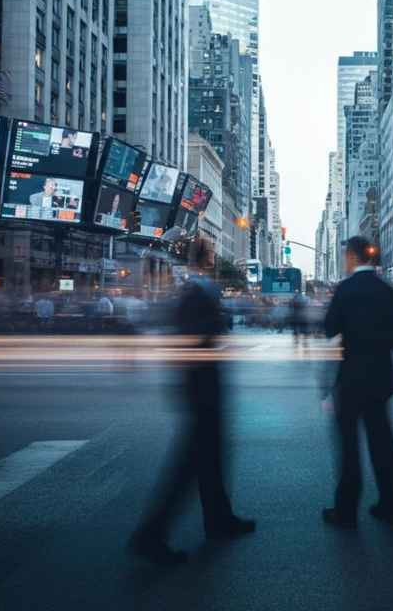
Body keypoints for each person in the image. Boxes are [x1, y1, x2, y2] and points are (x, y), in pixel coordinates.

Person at [129, 238, 255, 565]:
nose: (215, 258)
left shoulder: (196, 291)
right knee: (189, 465)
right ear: (208, 257)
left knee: (210, 459)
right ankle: (150, 535)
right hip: (200, 387)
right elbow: (197, 340)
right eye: (213, 253)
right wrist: (217, 346)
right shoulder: (196, 293)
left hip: (202, 385)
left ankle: (219, 520)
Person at [322, 236, 393, 528]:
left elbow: (329, 328)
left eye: (346, 256)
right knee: (383, 443)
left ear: (352, 257)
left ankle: (346, 512)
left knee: (349, 448)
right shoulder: (388, 291)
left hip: (351, 379)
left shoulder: (345, 290)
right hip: (381, 377)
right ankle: (390, 506)